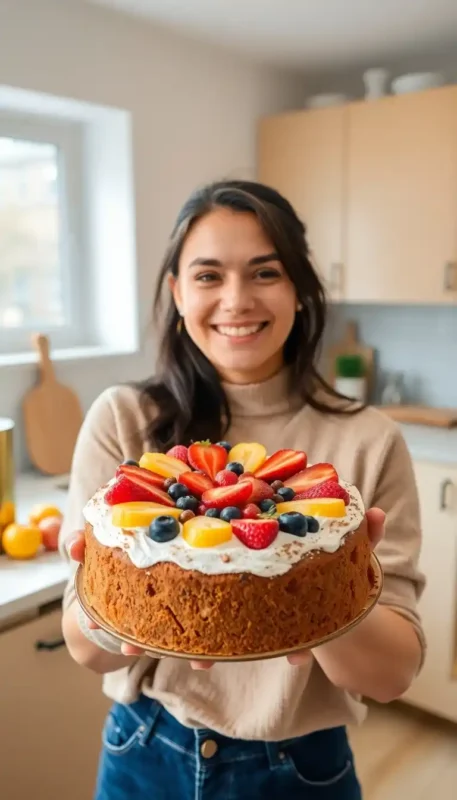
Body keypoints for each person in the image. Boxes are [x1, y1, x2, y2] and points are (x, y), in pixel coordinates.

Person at [60, 179, 426, 800]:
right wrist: (115, 614)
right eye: (208, 276)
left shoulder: (369, 440)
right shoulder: (123, 420)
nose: (236, 299)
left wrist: (329, 592)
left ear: (301, 291)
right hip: (146, 751)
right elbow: (85, 646)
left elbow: (392, 676)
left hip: (301, 768)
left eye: (265, 272)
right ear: (177, 293)